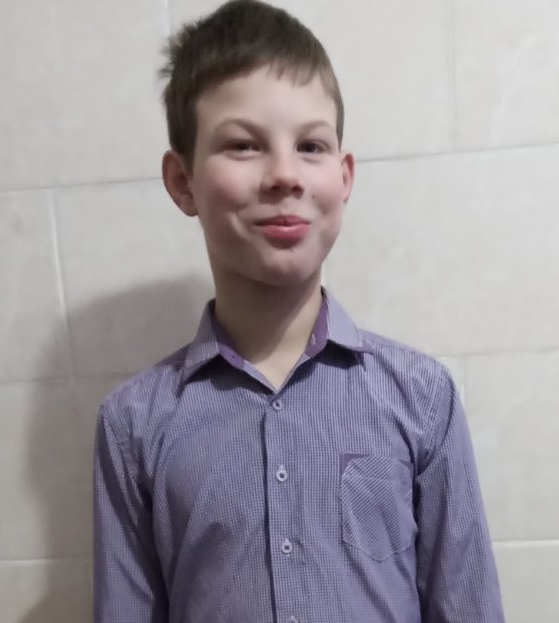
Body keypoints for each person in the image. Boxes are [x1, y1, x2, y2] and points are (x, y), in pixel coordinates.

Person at [93, 1, 505, 621]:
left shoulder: (422, 397)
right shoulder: (134, 426)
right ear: (182, 181)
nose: (285, 175)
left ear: (344, 176)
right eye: (243, 145)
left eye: (311, 145)